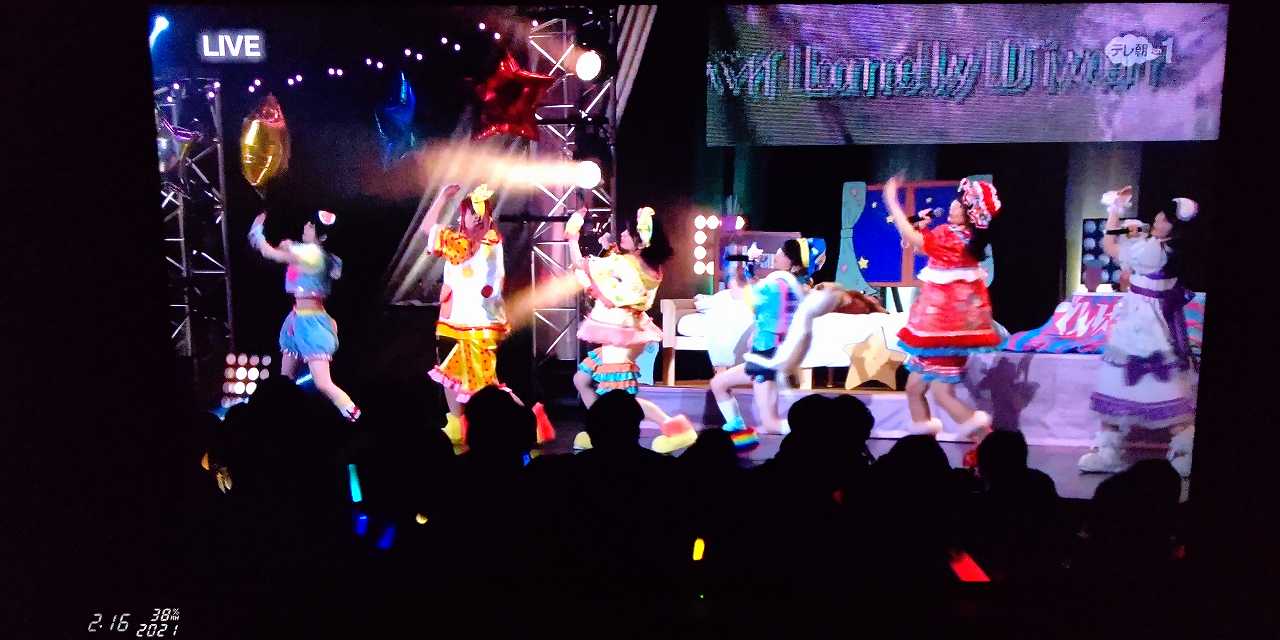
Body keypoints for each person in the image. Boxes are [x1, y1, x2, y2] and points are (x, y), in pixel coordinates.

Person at [1079, 188, 1199, 476]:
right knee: (1116, 387)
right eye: (1160, 215)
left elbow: (1110, 246)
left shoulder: (1155, 251)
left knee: (1161, 391)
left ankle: (1185, 452)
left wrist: (1115, 210)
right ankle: (1108, 452)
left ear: (1175, 228)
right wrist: (1124, 222)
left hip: (1146, 330)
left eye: (1165, 219)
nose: (1157, 219)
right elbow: (1116, 243)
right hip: (1136, 326)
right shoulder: (1154, 246)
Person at [883, 175, 1004, 451]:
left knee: (942, 392)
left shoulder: (954, 237)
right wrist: (922, 227)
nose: (953, 205)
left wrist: (892, 200)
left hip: (943, 332)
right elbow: (921, 244)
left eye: (961, 204)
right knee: (914, 388)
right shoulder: (955, 235)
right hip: (937, 330)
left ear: (971, 214)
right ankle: (924, 450)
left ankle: (988, 446)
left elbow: (914, 239)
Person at [565, 207, 696, 454]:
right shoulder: (651, 266)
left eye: (628, 232)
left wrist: (572, 236)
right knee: (581, 380)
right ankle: (600, 430)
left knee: (621, 399)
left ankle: (674, 429)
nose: (623, 234)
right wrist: (611, 250)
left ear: (640, 241)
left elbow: (582, 265)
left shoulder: (625, 263)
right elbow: (623, 277)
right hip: (630, 328)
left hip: (619, 331)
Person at [709, 237, 825, 449]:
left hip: (766, 355)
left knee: (771, 423)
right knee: (719, 383)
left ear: (792, 263)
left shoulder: (779, 286)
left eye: (782, 253)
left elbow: (741, 294)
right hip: (769, 353)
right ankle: (739, 432)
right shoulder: (796, 285)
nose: (777, 254)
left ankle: (820, 432)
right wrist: (748, 267)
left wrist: (733, 267)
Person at [249, 210, 360, 421]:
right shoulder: (312, 254)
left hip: (312, 323)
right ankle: (283, 420)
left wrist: (257, 233)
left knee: (323, 383)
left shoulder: (312, 255)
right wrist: (288, 246)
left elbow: (271, 253)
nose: (306, 226)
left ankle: (355, 417)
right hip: (298, 319)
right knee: (285, 379)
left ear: (322, 236)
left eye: (312, 226)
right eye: (308, 222)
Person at [420, 184, 510, 444]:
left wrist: (442, 198)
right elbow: (429, 229)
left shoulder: (478, 243)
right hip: (460, 323)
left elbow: (429, 229)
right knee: (451, 375)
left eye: (481, 213)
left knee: (486, 384)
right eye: (472, 212)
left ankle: (522, 422)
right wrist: (442, 196)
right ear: (463, 216)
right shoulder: (475, 242)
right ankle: (457, 424)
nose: (477, 217)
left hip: (477, 326)